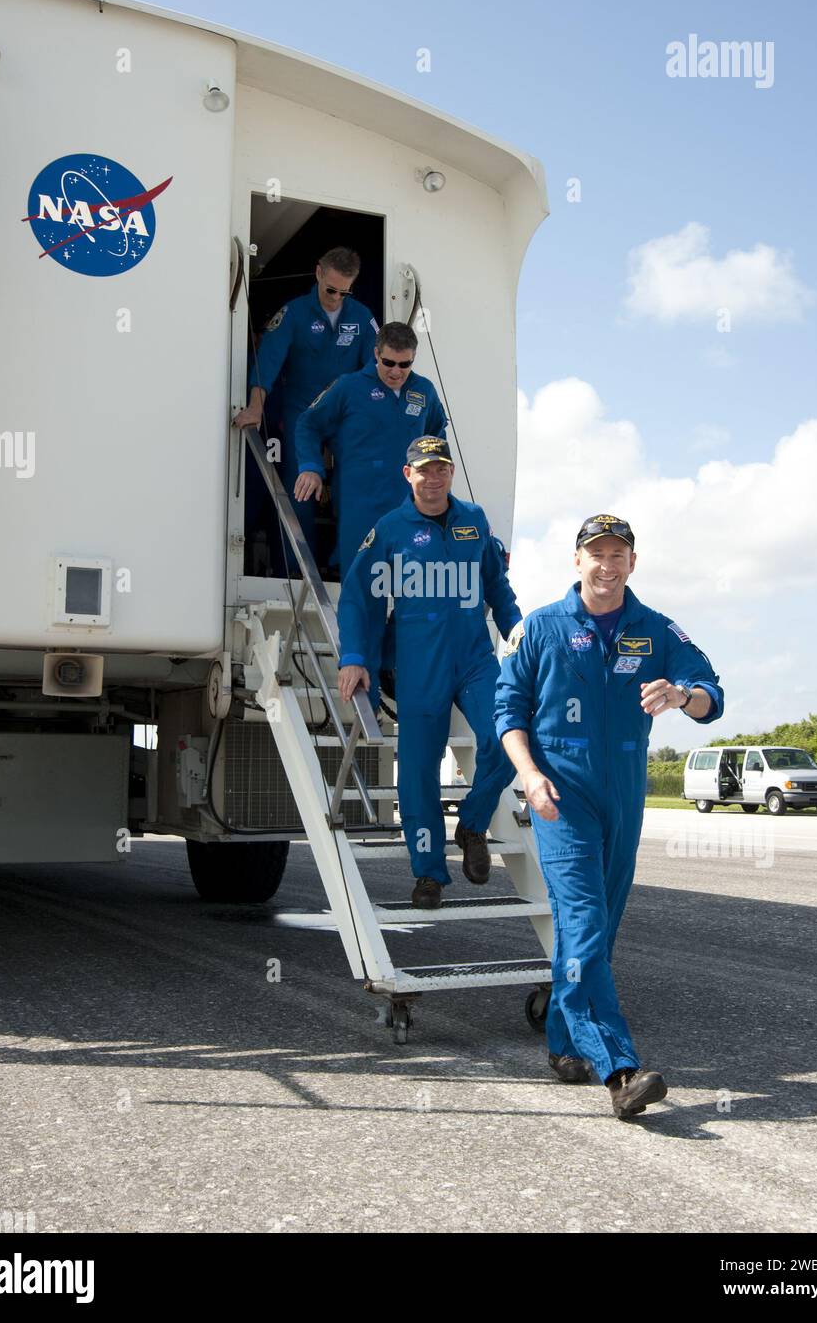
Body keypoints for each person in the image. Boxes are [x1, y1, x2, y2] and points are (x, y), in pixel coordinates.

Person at [494, 513, 724, 1119]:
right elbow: (506, 711)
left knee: (598, 927)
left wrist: (680, 696)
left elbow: (711, 692)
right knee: (586, 919)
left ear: (631, 563)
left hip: (624, 790)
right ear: (578, 562)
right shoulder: (540, 628)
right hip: (560, 794)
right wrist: (528, 773)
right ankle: (620, 1071)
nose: (606, 563)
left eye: (617, 553)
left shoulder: (654, 628)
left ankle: (565, 1044)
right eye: (595, 553)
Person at [337, 437, 521, 907]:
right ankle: (428, 874)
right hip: (420, 664)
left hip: (476, 659)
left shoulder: (474, 521)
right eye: (424, 469)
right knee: (417, 772)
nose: (433, 478)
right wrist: (356, 656)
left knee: (507, 739)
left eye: (441, 468)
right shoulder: (392, 529)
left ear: (451, 472)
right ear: (408, 475)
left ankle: (473, 825)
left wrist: (519, 636)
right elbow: (360, 595)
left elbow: (497, 588)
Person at [234, 246, 378, 562]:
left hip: (345, 412)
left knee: (357, 474)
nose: (336, 297)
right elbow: (267, 363)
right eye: (331, 289)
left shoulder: (363, 317)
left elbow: (376, 370)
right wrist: (256, 407)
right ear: (318, 273)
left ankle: (350, 558)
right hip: (302, 413)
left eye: (345, 292)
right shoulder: (294, 313)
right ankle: (297, 565)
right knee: (299, 483)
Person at [293, 322, 447, 577]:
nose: (396, 372)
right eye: (389, 363)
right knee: (360, 585)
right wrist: (310, 467)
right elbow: (308, 424)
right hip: (360, 503)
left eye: (404, 364)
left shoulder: (425, 391)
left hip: (410, 506)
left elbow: (436, 437)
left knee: (415, 587)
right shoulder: (348, 387)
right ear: (376, 354)